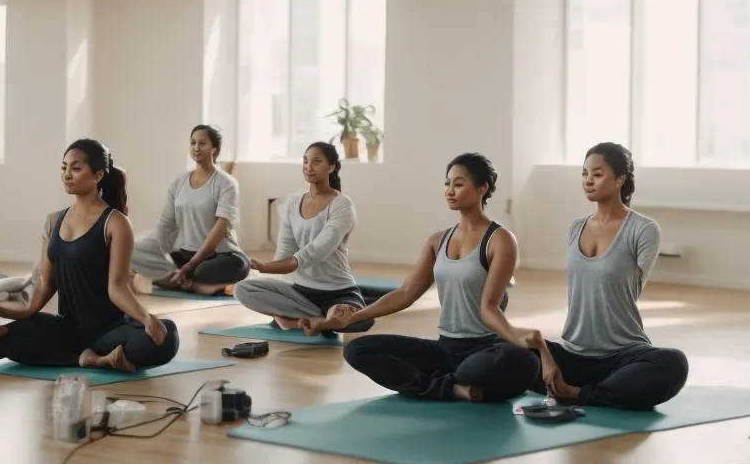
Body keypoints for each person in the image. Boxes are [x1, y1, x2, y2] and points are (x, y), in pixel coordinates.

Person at [332, 153, 538, 402]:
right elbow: (406, 293)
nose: (450, 191)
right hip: (444, 348)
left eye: (458, 184)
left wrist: (517, 337)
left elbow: (490, 307)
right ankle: (452, 387)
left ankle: (448, 381)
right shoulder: (437, 240)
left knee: (522, 360)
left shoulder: (500, 240)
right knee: (357, 349)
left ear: (482, 188)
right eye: (447, 183)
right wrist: (354, 317)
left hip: (485, 348)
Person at [0, 139, 179, 372]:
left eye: (76, 168)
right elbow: (42, 290)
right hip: (66, 329)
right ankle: (91, 360)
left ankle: (82, 356)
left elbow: (117, 288)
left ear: (97, 175)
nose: (67, 175)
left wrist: (145, 318)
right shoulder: (53, 221)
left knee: (167, 336)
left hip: (109, 332)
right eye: (64, 168)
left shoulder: (116, 223)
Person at [525, 142, 688, 410]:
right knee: (509, 349)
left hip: (622, 355)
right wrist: (544, 352)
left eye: (597, 174)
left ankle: (577, 393)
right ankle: (604, 392)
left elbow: (634, 286)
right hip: (572, 354)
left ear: (620, 179)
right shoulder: (576, 227)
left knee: (673, 363)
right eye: (584, 173)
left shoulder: (643, 229)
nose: (588, 181)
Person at [232, 142, 370, 335]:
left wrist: (264, 267)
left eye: (316, 161)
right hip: (299, 292)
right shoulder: (293, 202)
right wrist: (268, 271)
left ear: (331, 167)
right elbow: (285, 249)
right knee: (242, 289)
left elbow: (317, 251)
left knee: (355, 320)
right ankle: (308, 321)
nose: (308, 166)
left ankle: (298, 319)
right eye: (305, 161)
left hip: (337, 291)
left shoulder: (342, 205)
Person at [131, 124, 249, 295]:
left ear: (214, 149)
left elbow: (219, 230)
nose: (196, 148)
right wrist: (148, 251)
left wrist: (191, 265)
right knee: (129, 251)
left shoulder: (226, 183)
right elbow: (165, 225)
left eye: (202, 143)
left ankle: (175, 279)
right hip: (185, 254)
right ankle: (194, 285)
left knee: (202, 271)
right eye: (193, 143)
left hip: (222, 255)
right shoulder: (178, 183)